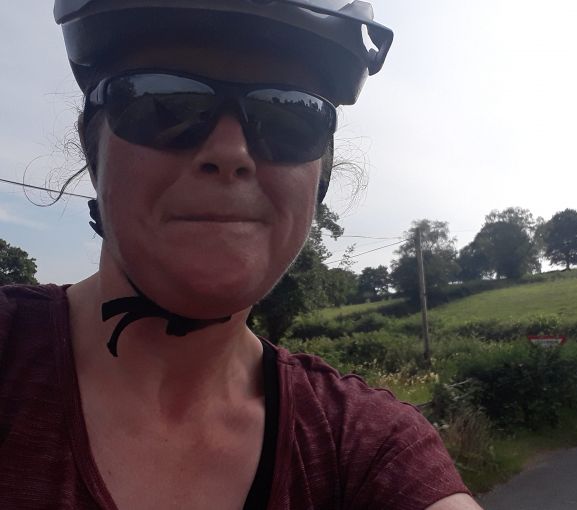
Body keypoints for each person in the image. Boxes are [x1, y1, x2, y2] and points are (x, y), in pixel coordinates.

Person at [0, 1, 483, 509]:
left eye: (289, 116)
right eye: (165, 102)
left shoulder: (363, 445)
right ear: (92, 148)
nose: (230, 152)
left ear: (320, 180)